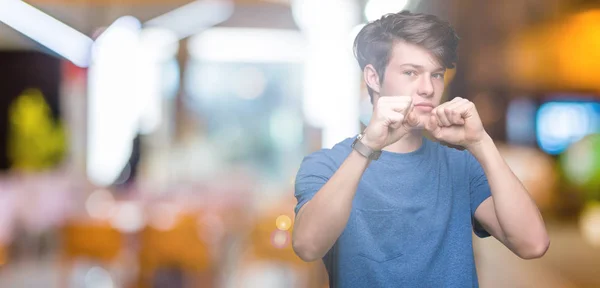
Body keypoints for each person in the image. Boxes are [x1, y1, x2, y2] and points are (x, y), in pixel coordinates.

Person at [291, 10, 549, 287]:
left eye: (436, 74)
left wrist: (480, 142)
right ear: (373, 78)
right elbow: (307, 246)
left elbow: (532, 245)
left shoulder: (461, 166)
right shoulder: (327, 165)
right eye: (411, 72)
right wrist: (367, 147)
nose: (428, 88)